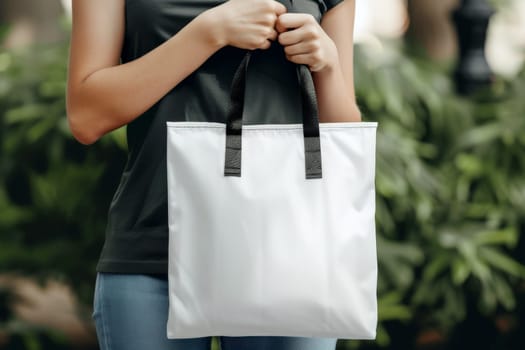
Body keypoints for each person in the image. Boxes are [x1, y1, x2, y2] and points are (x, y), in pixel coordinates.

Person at [66, 0, 361, 349]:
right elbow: (86, 116)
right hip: (153, 249)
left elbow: (342, 137)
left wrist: (327, 65)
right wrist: (208, 33)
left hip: (288, 253)